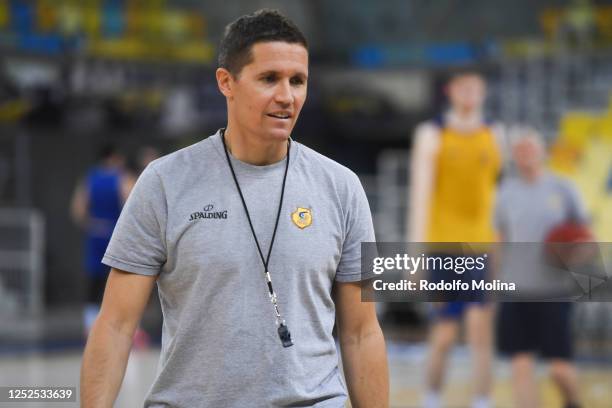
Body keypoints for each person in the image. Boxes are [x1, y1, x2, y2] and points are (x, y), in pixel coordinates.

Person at [80, 9, 388, 408]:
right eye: (269, 79)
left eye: (298, 81)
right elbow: (117, 326)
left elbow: (362, 333)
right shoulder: (164, 182)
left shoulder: (342, 187)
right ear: (227, 82)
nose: (287, 96)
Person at [408, 69, 503, 408]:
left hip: (481, 246)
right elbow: (420, 198)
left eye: (476, 87)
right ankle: (431, 397)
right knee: (446, 333)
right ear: (450, 91)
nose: (470, 93)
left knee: (481, 331)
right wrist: (415, 257)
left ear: (483, 90)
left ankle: (482, 400)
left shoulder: (494, 133)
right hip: (444, 247)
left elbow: (496, 197)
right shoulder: (433, 133)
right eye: (463, 87)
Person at [495, 132, 585, 408]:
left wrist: (575, 254)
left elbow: (584, 236)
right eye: (519, 149)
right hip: (515, 290)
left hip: (554, 291)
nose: (525, 153)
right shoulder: (505, 192)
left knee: (559, 368)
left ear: (542, 150)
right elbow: (498, 239)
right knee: (520, 365)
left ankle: (573, 401)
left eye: (530, 147)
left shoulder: (563, 188)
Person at [70, 143, 135, 337]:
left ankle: (90, 325)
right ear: (115, 158)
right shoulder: (122, 178)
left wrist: (91, 224)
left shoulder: (90, 179)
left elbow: (78, 210)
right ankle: (125, 326)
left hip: (96, 233)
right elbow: (131, 206)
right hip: (116, 233)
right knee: (121, 279)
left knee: (94, 280)